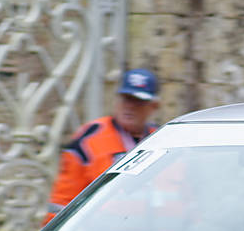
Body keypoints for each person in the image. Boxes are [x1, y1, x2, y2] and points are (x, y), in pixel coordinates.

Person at [44, 68, 161, 222]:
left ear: (153, 106)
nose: (130, 107)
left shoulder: (164, 140)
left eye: (138, 101)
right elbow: (61, 203)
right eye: (126, 99)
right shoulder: (88, 140)